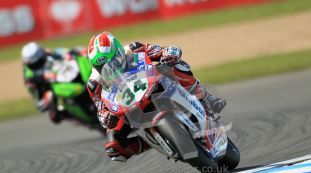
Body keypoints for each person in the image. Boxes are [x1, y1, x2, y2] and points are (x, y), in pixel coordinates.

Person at [87, 31, 227, 162]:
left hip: (149, 85)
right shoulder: (94, 84)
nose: (111, 68)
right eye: (103, 67)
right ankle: (152, 142)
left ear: (118, 52)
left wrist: (169, 54)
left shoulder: (133, 48)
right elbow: (101, 110)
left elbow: (164, 50)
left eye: (113, 62)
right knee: (114, 146)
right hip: (125, 104)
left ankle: (206, 97)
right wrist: (106, 116)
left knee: (176, 66)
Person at [21, 42, 87, 123]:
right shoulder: (28, 73)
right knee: (54, 116)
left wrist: (74, 52)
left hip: (62, 76)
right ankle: (73, 116)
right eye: (34, 64)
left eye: (38, 62)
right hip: (47, 89)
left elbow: (66, 51)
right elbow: (32, 86)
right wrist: (43, 78)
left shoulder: (48, 53)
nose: (36, 65)